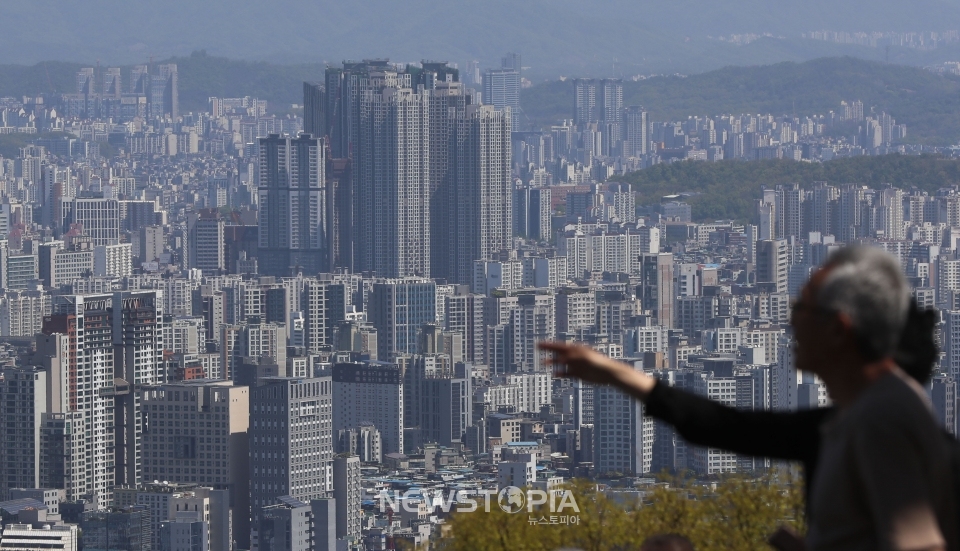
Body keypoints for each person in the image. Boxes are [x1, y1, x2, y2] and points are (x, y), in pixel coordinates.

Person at [541, 246, 957, 550]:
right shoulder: (845, 418)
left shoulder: (881, 419)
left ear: (839, 329)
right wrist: (615, 374)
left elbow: (916, 543)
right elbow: (732, 428)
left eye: (803, 308)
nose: (790, 319)